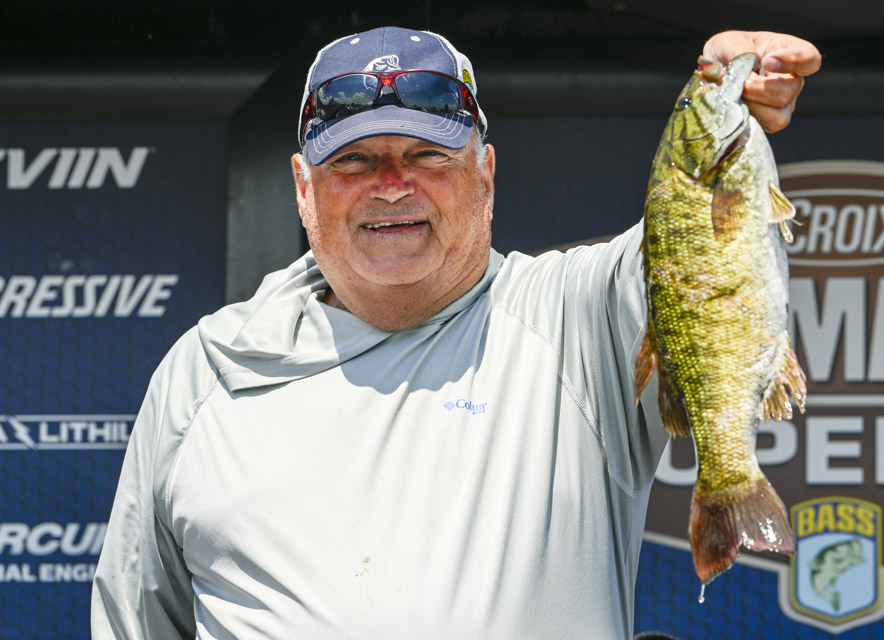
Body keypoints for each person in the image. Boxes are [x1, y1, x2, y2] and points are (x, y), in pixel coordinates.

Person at [91, 26, 820, 639]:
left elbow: (695, 242)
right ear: (303, 189)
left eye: (427, 155)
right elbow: (134, 619)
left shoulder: (576, 319)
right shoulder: (207, 369)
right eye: (353, 160)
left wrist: (730, 80)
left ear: (486, 173)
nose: (391, 184)